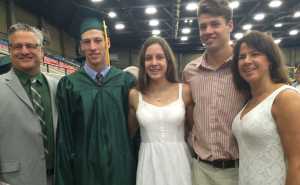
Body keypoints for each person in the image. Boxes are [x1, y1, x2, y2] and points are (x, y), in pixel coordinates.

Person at [55, 17, 136, 185]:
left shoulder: (126, 82)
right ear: (81, 46)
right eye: (87, 42)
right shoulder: (69, 85)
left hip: (121, 169)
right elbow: (64, 139)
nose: (92, 47)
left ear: (107, 43)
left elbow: (136, 134)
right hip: (85, 172)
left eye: (98, 40)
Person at [182, 0, 246, 185]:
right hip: (200, 170)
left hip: (239, 170)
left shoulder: (244, 67)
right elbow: (189, 116)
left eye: (215, 24)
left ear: (230, 25)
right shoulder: (190, 71)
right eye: (203, 26)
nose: (208, 31)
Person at [231, 31, 300, 185]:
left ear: (270, 60)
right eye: (241, 57)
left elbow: (297, 162)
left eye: (255, 54)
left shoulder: (285, 97)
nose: (247, 61)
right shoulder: (249, 101)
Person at [128, 36, 194, 185]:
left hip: (179, 162)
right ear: (143, 64)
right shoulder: (134, 95)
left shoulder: (184, 91)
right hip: (149, 164)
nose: (154, 63)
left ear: (168, 61)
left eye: (160, 57)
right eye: (148, 58)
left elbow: (193, 130)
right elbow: (129, 134)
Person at [0, 23, 58, 185]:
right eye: (18, 46)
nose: (24, 51)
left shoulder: (57, 86)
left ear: (41, 51)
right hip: (15, 180)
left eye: (30, 46)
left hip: (59, 178)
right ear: (10, 51)